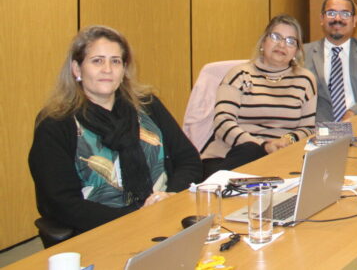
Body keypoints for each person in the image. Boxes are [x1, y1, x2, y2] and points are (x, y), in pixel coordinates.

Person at [29, 26, 202, 236]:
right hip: (101, 233)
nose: (108, 69)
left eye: (115, 61)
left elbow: (188, 159)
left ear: (124, 70)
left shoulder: (147, 106)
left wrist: (171, 195)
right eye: (97, 61)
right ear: (77, 69)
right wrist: (135, 218)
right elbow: (61, 203)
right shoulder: (56, 123)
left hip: (165, 218)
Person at [201, 15, 316, 174]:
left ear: (296, 51)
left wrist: (287, 140)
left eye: (291, 41)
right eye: (276, 37)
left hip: (280, 157)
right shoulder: (239, 75)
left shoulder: (305, 80)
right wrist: (262, 145)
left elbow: (308, 128)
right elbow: (222, 122)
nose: (282, 45)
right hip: (233, 155)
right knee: (251, 151)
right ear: (263, 42)